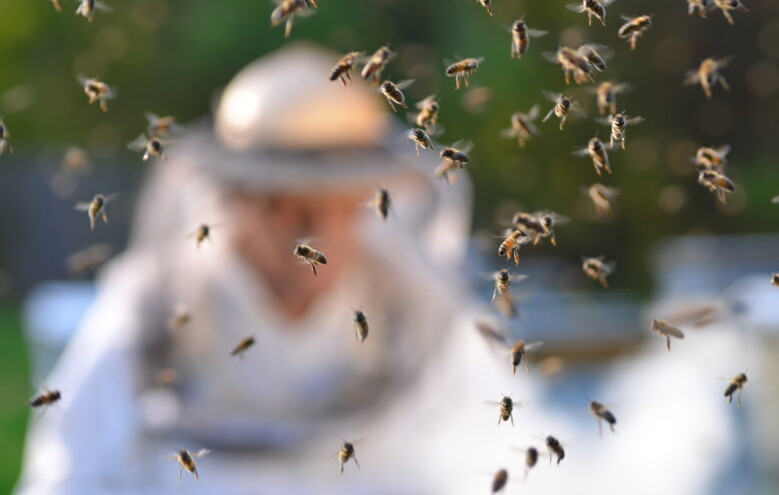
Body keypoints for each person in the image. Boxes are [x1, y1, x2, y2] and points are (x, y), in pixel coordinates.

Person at [16, 43, 738, 495]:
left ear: (365, 199)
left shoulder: (418, 312)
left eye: (330, 205)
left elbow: (500, 470)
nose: (309, 230)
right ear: (231, 198)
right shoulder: (148, 313)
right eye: (280, 204)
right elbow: (70, 477)